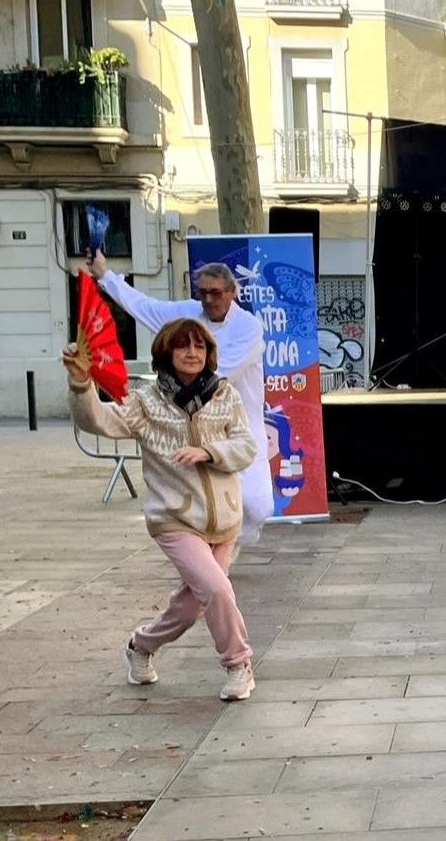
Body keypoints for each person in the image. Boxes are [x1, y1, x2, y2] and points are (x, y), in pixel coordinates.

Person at [63, 319, 259, 701]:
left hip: (225, 519)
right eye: (183, 346)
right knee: (217, 589)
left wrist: (209, 452)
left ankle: (141, 646)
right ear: (166, 352)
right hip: (174, 518)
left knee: (191, 607)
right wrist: (80, 383)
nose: (192, 353)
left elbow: (246, 446)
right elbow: (98, 421)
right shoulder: (146, 401)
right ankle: (239, 664)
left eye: (199, 346)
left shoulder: (225, 394)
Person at [88, 258, 270, 553]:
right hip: (195, 429)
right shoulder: (187, 314)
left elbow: (222, 372)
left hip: (241, 425)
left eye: (216, 293)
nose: (208, 300)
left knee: (259, 506)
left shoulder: (248, 327)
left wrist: (180, 379)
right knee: (204, 507)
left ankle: (226, 544)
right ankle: (208, 554)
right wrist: (107, 276)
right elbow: (144, 307)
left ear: (232, 291)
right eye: (202, 292)